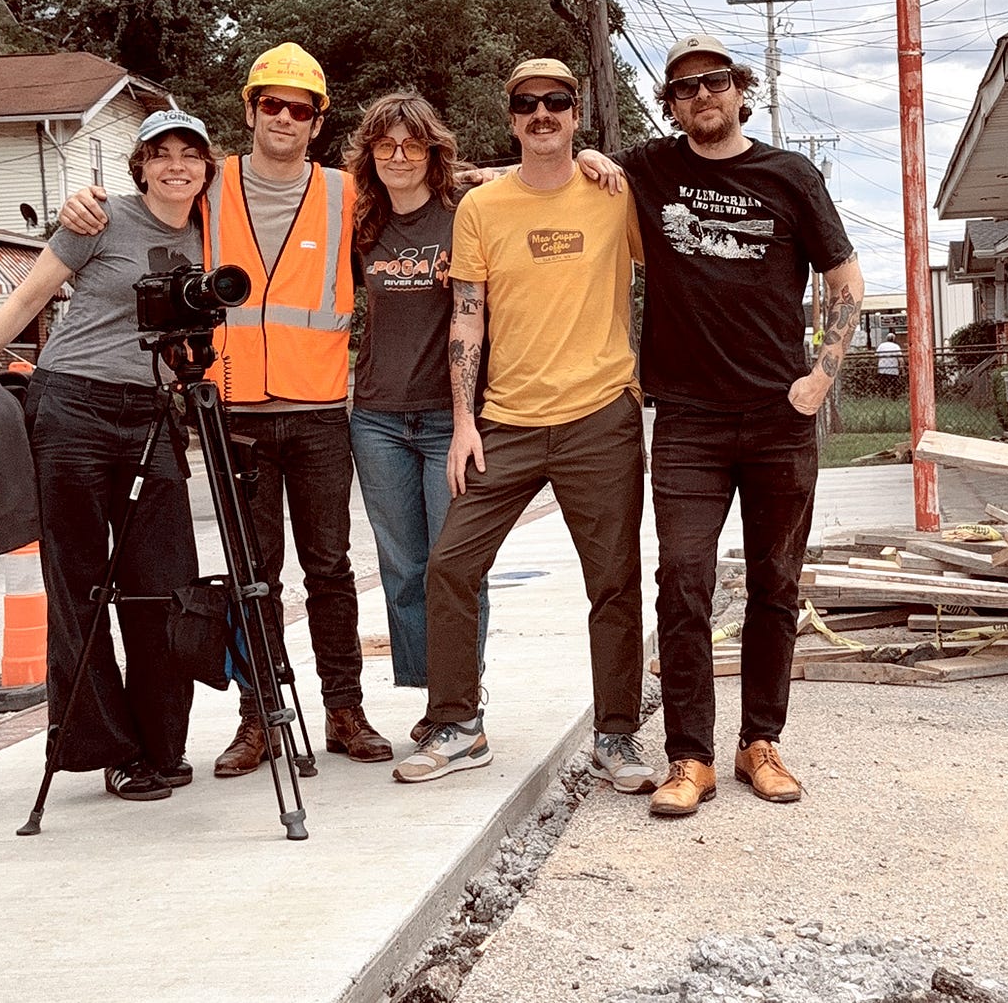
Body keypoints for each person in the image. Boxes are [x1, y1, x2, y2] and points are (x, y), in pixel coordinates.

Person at [57, 43, 391, 775]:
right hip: (235, 413)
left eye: (300, 108)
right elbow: (145, 206)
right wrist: (81, 202)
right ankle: (259, 717)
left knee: (330, 568)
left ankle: (344, 710)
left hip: (319, 412)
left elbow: (429, 187)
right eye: (271, 103)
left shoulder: (345, 193)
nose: (284, 117)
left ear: (317, 122)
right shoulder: (209, 187)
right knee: (252, 572)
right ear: (250, 111)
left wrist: (558, 166)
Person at [584, 32, 863, 819]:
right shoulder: (648, 168)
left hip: (779, 418)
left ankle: (759, 744)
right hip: (688, 422)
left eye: (714, 82)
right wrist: (585, 157)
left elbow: (844, 276)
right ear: (671, 106)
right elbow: (552, 174)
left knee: (775, 584)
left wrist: (822, 377)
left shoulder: (790, 175)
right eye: (684, 88)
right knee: (683, 580)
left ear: (740, 90)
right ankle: (691, 756)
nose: (701, 95)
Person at [393, 57, 655, 795]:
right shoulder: (483, 208)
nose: (543, 113)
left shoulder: (615, 195)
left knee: (613, 581)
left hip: (600, 417)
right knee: (450, 566)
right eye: (528, 103)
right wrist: (463, 421)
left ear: (576, 113)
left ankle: (616, 736)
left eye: (557, 102)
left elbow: (673, 259)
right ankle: (457, 725)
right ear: (511, 118)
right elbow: (466, 314)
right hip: (504, 421)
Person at [0, 107, 214, 803]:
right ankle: (109, 748)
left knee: (165, 582)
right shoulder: (100, 219)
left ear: (207, 169)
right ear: (141, 167)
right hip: (72, 405)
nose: (176, 166)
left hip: (154, 414)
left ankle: (162, 744)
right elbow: (30, 296)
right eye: (161, 154)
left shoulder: (217, 231)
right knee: (79, 587)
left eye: (190, 154)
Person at [343, 91, 488, 725]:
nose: (398, 156)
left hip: (448, 419)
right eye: (385, 145)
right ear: (371, 154)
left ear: (433, 152)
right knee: (402, 568)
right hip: (376, 418)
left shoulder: (464, 215)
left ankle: (461, 701)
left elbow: (525, 177)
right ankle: (436, 701)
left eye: (412, 144)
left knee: (454, 566)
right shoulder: (360, 223)